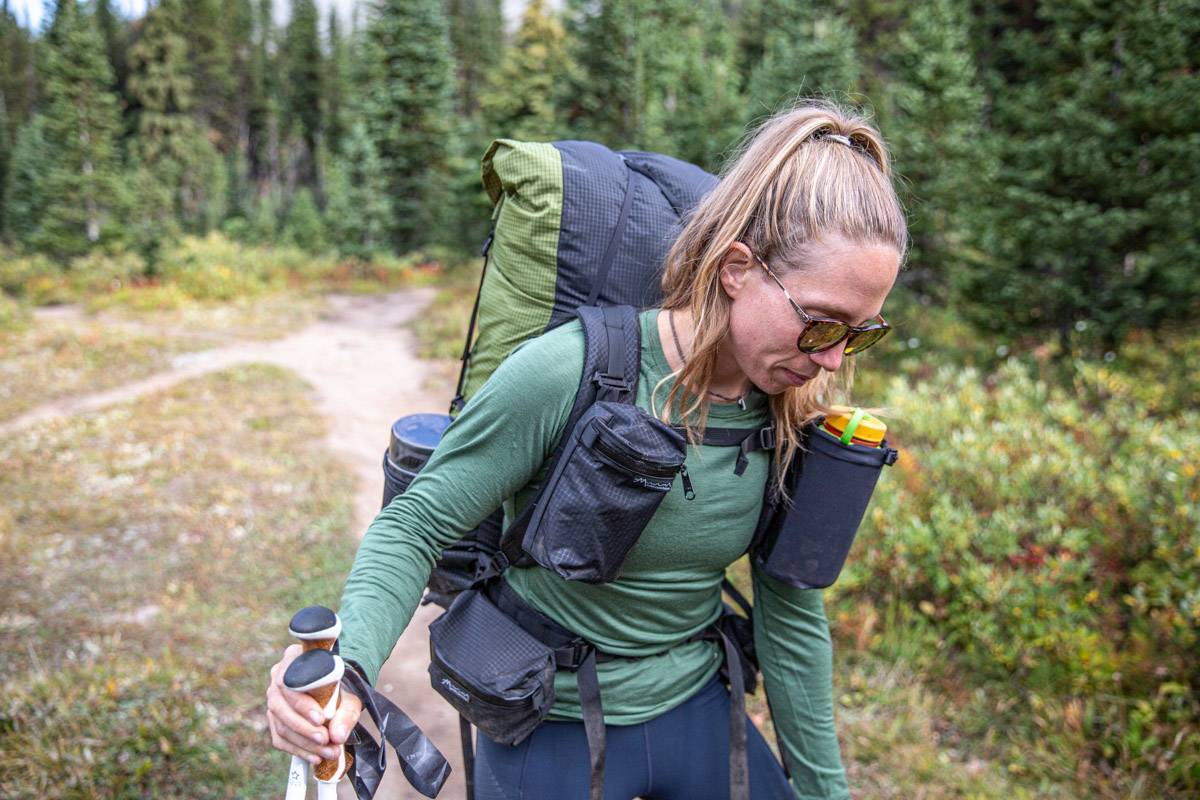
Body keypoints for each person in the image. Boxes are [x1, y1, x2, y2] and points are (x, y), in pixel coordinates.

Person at [266, 99, 908, 800]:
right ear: (736, 269)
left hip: (698, 705)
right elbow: (415, 525)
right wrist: (349, 671)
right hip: (552, 721)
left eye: (861, 334)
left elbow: (790, 612)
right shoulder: (574, 370)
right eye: (821, 324)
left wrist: (825, 792)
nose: (832, 361)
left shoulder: (789, 413)